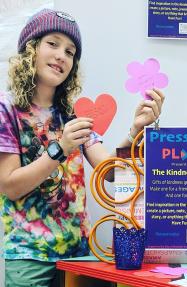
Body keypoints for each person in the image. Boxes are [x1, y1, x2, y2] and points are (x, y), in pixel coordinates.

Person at [0, 8, 164, 287]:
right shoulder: (7, 109)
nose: (61, 55)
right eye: (52, 44)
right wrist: (60, 147)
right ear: (30, 49)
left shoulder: (74, 113)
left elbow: (109, 172)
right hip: (29, 255)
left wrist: (136, 130)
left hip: (80, 255)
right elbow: (11, 186)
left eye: (70, 51)